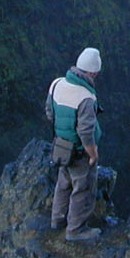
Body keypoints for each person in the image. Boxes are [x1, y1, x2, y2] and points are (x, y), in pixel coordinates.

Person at [45, 47, 103, 242]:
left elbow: (49, 113)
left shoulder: (56, 84)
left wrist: (63, 133)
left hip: (61, 146)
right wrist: (92, 153)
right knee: (83, 188)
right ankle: (75, 230)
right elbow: (86, 131)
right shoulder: (86, 97)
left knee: (63, 183)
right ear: (93, 72)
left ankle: (57, 220)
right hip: (79, 151)